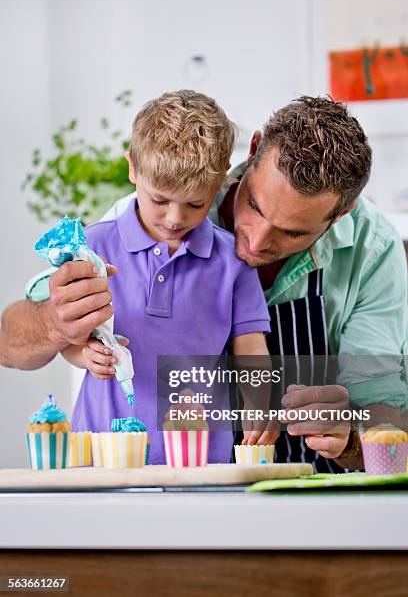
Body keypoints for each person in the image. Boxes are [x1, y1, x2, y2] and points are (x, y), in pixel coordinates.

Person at [2, 96, 407, 470]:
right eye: (255, 206)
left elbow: (386, 410)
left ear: (341, 214)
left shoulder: (372, 252)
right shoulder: (141, 217)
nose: (255, 241)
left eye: (293, 233)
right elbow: (10, 344)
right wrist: (60, 326)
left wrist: (351, 436)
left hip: (298, 482)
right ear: (251, 153)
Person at [54, 90, 275, 464]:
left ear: (219, 183)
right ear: (132, 169)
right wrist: (82, 354)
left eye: (194, 204)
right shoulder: (92, 246)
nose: (175, 218)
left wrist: (259, 405)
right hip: (101, 456)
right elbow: (66, 336)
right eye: (159, 200)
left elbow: (251, 348)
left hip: (201, 460)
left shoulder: (232, 261)